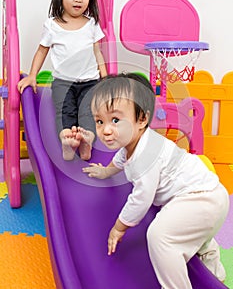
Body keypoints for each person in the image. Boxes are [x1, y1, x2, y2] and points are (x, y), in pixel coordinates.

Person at [82, 73, 229, 288]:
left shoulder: (145, 156)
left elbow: (141, 198)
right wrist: (105, 172)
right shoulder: (135, 142)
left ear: (141, 120)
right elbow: (121, 159)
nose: (105, 130)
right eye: (99, 121)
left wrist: (119, 227)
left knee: (160, 236)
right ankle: (215, 273)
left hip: (200, 199)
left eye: (115, 120)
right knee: (198, 236)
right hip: (211, 197)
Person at [18, 0, 107, 161]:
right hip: (63, 82)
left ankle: (87, 141)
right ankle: (67, 142)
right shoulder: (53, 25)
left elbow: (97, 52)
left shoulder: (91, 23)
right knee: (64, 111)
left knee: (88, 112)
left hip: (90, 81)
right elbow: (42, 51)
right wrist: (32, 76)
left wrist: (105, 76)